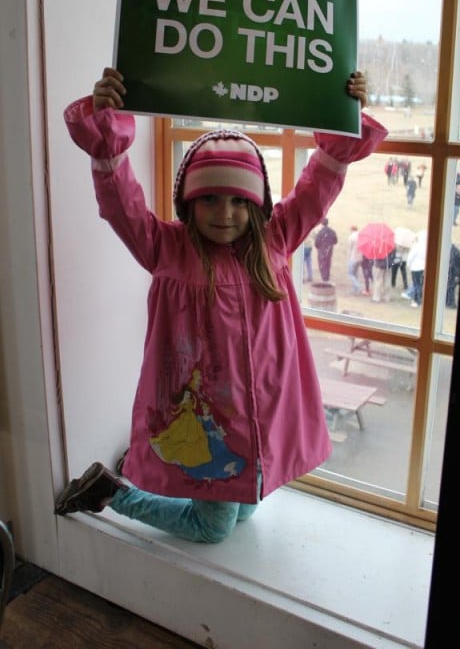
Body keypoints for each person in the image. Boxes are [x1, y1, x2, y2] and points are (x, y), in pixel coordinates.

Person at [54, 67, 387, 543]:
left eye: (237, 201)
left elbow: (318, 186)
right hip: (208, 423)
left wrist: (343, 112)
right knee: (212, 530)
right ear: (188, 202)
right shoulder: (167, 250)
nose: (225, 214)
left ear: (257, 205)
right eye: (208, 199)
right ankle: (110, 493)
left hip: (259, 416)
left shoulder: (275, 241)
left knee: (244, 508)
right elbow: (120, 205)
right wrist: (107, 135)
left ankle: (154, 476)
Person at [406, 231, 427, 308]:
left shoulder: (416, 246)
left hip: (415, 268)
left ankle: (416, 300)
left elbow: (410, 257)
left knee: (416, 284)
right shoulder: (426, 246)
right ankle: (419, 299)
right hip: (423, 268)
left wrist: (408, 265)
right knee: (420, 284)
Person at [347, 225, 362, 294]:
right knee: (355, 274)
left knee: (350, 274)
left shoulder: (351, 237)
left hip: (353, 258)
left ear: (352, 230)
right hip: (360, 258)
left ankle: (358, 286)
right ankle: (355, 289)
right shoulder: (361, 236)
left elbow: (349, 249)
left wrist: (349, 258)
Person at [446, 243, 460, 308]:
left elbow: (457, 265)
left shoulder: (455, 252)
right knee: (450, 287)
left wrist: (457, 276)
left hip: (454, 274)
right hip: (452, 273)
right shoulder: (454, 251)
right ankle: (449, 302)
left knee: (451, 288)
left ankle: (451, 303)